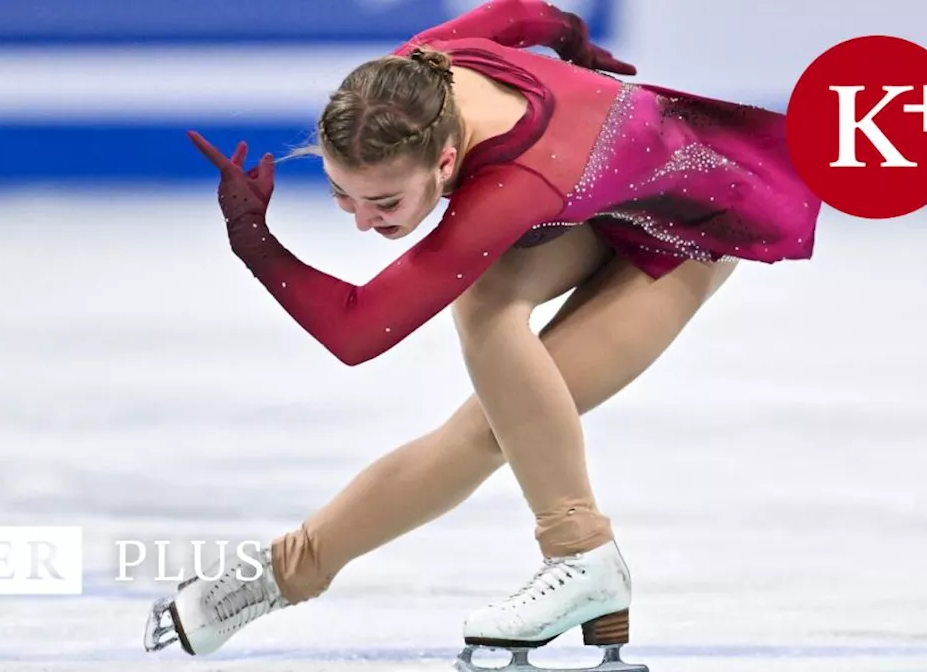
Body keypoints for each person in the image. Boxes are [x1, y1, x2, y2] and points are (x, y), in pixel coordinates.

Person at [143, 1, 820, 670]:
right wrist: (577, 46)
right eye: (341, 194)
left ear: (444, 163)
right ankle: (287, 572)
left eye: (385, 203)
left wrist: (255, 243)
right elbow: (526, 14)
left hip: (694, 225)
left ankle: (581, 555)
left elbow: (358, 331)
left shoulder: (513, 184)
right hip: (607, 199)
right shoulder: (414, 77)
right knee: (496, 352)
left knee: (491, 408)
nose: (362, 221)